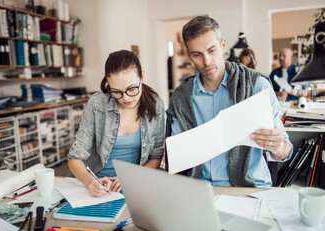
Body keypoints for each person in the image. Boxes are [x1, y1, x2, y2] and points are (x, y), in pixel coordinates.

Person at [166, 16, 292, 188]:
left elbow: (285, 151)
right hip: (201, 189)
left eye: (212, 50)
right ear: (189, 55)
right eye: (197, 54)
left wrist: (278, 148)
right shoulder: (181, 97)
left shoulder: (257, 86)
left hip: (249, 188)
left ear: (223, 45)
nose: (206, 61)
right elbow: (178, 158)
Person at [68, 50, 165, 197]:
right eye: (116, 91)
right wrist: (90, 182)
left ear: (142, 76)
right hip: (98, 186)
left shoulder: (156, 105)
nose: (125, 98)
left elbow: (155, 157)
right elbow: (75, 157)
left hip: (135, 184)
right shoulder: (97, 104)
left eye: (132, 89)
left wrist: (131, 178)